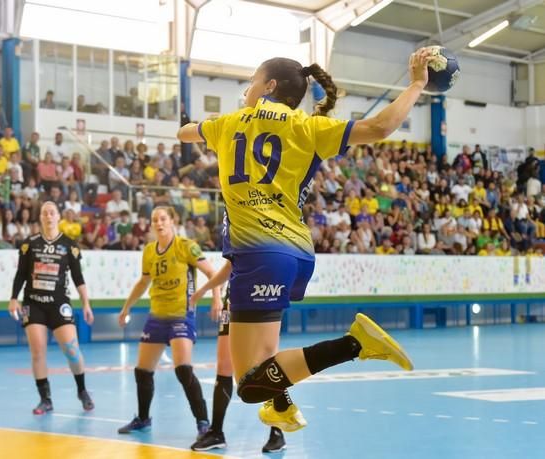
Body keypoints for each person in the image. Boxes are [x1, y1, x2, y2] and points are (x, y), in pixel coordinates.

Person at [177, 50, 426, 432]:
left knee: (248, 384)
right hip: (294, 253)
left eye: (252, 83)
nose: (247, 91)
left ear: (269, 86)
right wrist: (417, 84)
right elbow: (380, 127)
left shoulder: (227, 124)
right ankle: (281, 405)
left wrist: (191, 126)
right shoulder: (309, 126)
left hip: (259, 254)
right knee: (266, 358)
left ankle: (355, 344)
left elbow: (185, 133)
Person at [117, 206, 222, 439]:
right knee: (142, 371)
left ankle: (204, 424)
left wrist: (217, 299)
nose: (159, 223)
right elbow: (143, 282)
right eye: (155, 220)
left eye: (163, 219)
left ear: (172, 221)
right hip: (156, 316)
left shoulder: (186, 246)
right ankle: (143, 419)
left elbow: (212, 273)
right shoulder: (148, 251)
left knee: (183, 370)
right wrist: (126, 307)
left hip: (181, 315)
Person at [9, 201, 95, 415]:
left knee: (72, 350)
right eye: (45, 213)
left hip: (59, 304)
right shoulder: (29, 244)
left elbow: (78, 277)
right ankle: (45, 399)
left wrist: (86, 303)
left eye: (52, 213)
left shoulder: (70, 245)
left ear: (58, 217)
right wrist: (13, 298)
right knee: (38, 351)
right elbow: (21, 274)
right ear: (41, 218)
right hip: (33, 303)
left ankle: (82, 390)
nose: (48, 216)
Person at [190, 267, 285, 453]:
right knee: (224, 365)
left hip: (263, 293)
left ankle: (278, 431)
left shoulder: (272, 239)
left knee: (268, 364)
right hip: (234, 297)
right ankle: (216, 432)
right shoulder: (235, 238)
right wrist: (206, 290)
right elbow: (229, 266)